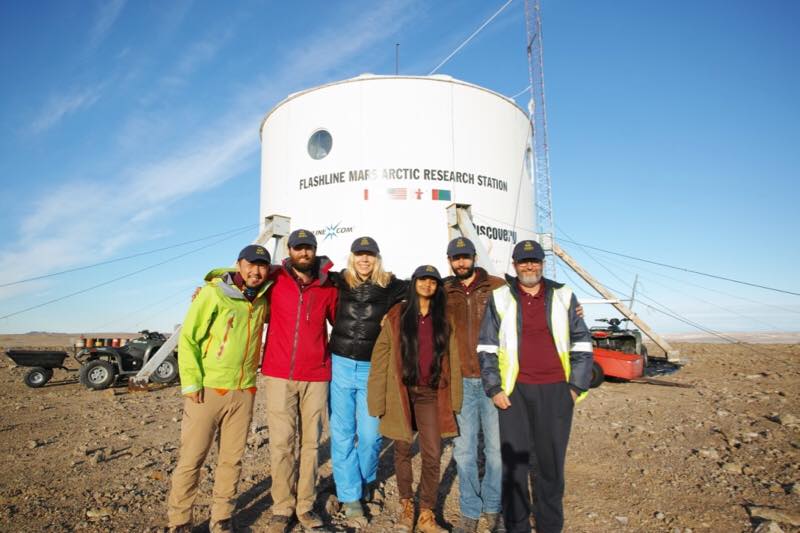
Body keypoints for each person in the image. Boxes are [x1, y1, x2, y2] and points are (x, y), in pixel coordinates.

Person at [478, 240, 593, 533]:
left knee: (550, 465)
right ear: (514, 266)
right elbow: (487, 347)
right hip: (514, 392)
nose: (530, 266)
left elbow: (581, 343)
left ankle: (549, 526)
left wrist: (575, 388)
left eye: (535, 261)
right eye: (523, 262)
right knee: (515, 468)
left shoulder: (564, 296)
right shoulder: (500, 297)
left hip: (556, 390)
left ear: (542, 263)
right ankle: (517, 527)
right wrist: (494, 388)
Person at [167, 244, 273, 533]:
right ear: (238, 265)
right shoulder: (214, 293)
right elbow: (188, 338)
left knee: (232, 460)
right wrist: (190, 382)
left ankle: (222, 518)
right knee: (192, 459)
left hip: (244, 391)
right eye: (251, 264)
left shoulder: (262, 299)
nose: (256, 271)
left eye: (262, 266)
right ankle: (179, 521)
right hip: (208, 390)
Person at [367, 265, 462, 533]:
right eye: (423, 280)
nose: (428, 285)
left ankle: (426, 513)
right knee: (403, 449)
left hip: (431, 393)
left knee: (432, 452)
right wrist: (376, 399)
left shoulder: (444, 318)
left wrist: (455, 400)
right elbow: (381, 356)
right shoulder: (397, 315)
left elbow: (452, 358)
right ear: (414, 283)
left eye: (433, 281)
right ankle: (407, 506)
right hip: (402, 393)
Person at [261, 229, 338, 533]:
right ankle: (282, 506)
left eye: (309, 249)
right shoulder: (275, 279)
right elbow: (243, 282)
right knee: (281, 443)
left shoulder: (329, 287)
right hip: (279, 374)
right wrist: (211, 286)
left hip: (316, 375)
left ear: (315, 251)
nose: (303, 253)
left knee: (310, 444)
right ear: (289, 251)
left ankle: (305, 505)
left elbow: (343, 322)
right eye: (298, 248)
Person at [327, 236, 406, 524]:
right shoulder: (340, 280)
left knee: (372, 435)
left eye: (369, 255)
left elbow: (424, 291)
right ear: (352, 257)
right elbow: (301, 273)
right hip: (340, 365)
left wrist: (397, 310)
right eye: (359, 254)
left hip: (373, 368)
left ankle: (365, 477)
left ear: (377, 258)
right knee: (343, 432)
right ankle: (350, 496)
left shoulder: (391, 285)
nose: (364, 260)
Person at [443, 238, 506, 533]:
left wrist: (572, 305)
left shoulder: (497, 286)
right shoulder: (445, 290)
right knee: (464, 450)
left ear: (474, 257)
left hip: (492, 380)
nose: (461, 263)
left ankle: (493, 507)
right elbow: (413, 298)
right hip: (460, 381)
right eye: (455, 258)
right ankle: (470, 510)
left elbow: (536, 293)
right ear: (449, 261)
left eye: (465, 257)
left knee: (494, 450)